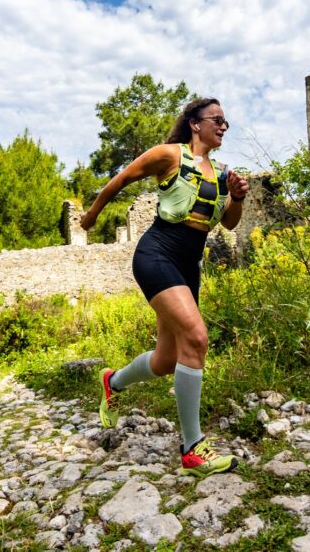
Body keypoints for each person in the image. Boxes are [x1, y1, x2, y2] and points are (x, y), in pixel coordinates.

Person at [80, 97, 250, 478]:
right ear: (195, 123)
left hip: (190, 264)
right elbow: (121, 179)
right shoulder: (170, 156)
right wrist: (92, 216)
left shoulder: (222, 172)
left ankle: (113, 381)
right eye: (217, 120)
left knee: (167, 360)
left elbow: (231, 224)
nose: (224, 126)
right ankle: (193, 449)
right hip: (157, 253)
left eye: (227, 122)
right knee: (197, 337)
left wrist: (237, 196)